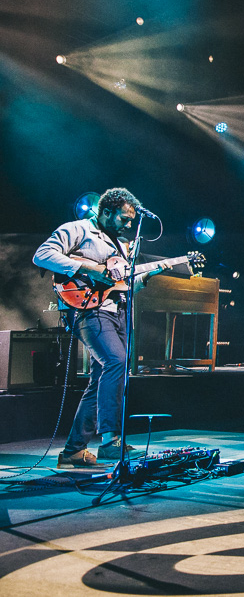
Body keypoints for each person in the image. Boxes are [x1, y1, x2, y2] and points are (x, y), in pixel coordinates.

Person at [33, 188, 167, 469]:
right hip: (88, 310)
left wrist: (150, 273)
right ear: (106, 211)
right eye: (124, 218)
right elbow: (42, 255)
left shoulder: (121, 245)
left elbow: (124, 284)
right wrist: (88, 269)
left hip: (115, 312)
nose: (129, 225)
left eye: (132, 220)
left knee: (101, 379)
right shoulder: (77, 229)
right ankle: (110, 440)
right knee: (116, 361)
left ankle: (73, 451)